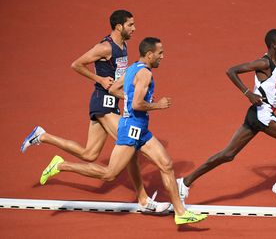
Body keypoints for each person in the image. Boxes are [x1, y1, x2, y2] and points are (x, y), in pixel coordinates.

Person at [38, 37, 207, 225]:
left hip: (141, 129)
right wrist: (157, 105)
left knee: (166, 164)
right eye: (160, 53)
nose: (163, 56)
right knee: (109, 174)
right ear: (149, 54)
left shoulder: (133, 68)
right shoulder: (145, 75)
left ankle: (180, 213)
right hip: (131, 129)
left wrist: (131, 98)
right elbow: (137, 103)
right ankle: (61, 166)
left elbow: (115, 89)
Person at [20, 10, 168, 212]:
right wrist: (99, 79)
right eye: (130, 25)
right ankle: (143, 200)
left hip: (111, 102)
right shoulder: (105, 47)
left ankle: (44, 138)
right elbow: (77, 64)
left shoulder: (123, 45)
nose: (134, 28)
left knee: (89, 154)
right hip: (103, 103)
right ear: (118, 27)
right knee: (130, 146)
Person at [176, 29, 276, 207]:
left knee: (228, 154)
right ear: (274, 45)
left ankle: (185, 182)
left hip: (258, 115)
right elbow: (231, 71)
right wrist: (248, 92)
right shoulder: (263, 63)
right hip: (264, 117)